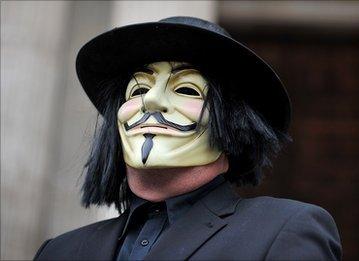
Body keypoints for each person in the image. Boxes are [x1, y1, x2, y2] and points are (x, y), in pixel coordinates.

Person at [34, 16, 341, 260]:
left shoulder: (285, 230)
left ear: (235, 124)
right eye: (138, 90)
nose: (151, 102)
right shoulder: (59, 252)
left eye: (186, 90)